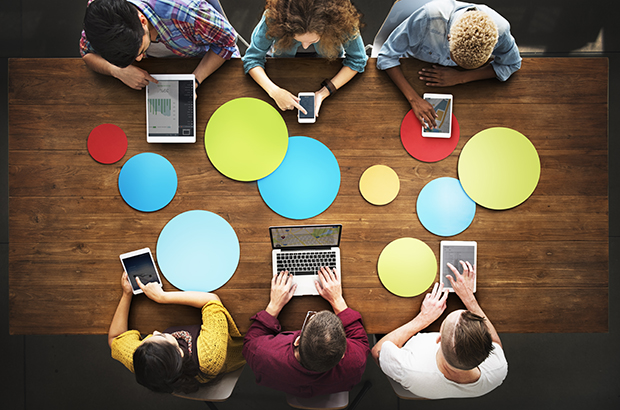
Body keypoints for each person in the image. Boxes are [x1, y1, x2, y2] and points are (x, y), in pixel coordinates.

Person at [371, 261, 508, 399]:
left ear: (438, 338)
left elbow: (378, 352)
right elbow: (496, 343)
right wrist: (469, 299)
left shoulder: (408, 368)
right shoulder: (498, 370)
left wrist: (423, 319)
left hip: (414, 370)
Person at [377, 0, 521, 129]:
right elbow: (386, 55)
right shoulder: (428, 17)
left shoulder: (500, 31)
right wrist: (414, 100)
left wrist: (462, 77)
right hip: (411, 62)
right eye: (455, 59)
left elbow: (512, 64)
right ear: (449, 38)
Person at [108, 272, 245, 394]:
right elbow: (212, 301)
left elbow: (115, 338)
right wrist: (162, 297)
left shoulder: (145, 362)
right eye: (161, 336)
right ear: (178, 352)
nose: (155, 332)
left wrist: (127, 294)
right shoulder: (209, 357)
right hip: (237, 347)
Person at [243, 267, 369, 397]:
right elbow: (361, 340)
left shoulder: (262, 355)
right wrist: (337, 300)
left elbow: (250, 341)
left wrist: (274, 306)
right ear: (342, 354)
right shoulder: (357, 362)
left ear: (297, 341)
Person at [242, 0, 368, 118]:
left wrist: (324, 93)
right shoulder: (274, 18)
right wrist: (274, 92)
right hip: (282, 69)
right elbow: (252, 59)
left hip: (329, 69)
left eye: (313, 41)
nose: (305, 46)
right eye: (298, 39)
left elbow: (357, 60)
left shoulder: (341, 21)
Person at [80, 0, 239, 90]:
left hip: (205, 60)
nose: (139, 59)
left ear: (142, 21)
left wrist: (194, 81)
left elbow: (227, 41)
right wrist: (117, 71)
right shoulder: (100, 18)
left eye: (140, 51)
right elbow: (86, 51)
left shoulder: (187, 11)